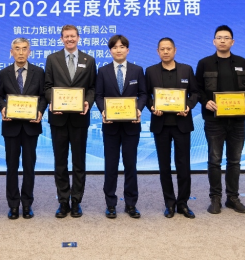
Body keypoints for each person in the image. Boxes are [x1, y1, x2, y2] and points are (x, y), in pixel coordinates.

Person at [195, 25, 245, 215]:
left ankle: (233, 198)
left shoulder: (242, 62)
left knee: (234, 161)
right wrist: (205, 101)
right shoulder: (204, 63)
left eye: (226, 37)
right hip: (214, 120)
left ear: (233, 42)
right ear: (214, 41)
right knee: (214, 160)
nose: (223, 40)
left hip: (237, 120)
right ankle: (215, 198)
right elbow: (197, 89)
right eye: (219, 37)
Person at [44, 25, 96, 218]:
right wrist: (52, 101)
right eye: (66, 36)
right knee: (60, 162)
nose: (70, 39)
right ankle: (63, 201)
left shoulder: (89, 60)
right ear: (61, 39)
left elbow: (92, 88)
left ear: (78, 38)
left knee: (79, 162)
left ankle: (76, 201)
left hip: (79, 118)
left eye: (73, 36)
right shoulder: (52, 59)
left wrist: (87, 102)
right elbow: (47, 86)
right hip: (58, 118)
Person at [145, 37, 199, 219]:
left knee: (184, 165)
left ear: (175, 50)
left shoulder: (186, 69)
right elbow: (145, 95)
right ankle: (169, 202)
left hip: (182, 124)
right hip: (160, 124)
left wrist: (188, 106)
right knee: (164, 165)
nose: (166, 52)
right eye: (162, 49)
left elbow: (195, 92)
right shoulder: (150, 71)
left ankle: (183, 203)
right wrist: (152, 106)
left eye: (169, 48)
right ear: (157, 51)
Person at [95, 35, 147, 219]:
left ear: (128, 50)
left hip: (131, 126)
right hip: (110, 126)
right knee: (110, 166)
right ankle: (110, 204)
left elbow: (143, 94)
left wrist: (138, 109)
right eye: (115, 47)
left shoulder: (137, 70)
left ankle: (131, 203)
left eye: (122, 46)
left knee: (130, 165)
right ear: (110, 51)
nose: (118, 50)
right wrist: (103, 111)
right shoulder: (103, 71)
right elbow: (98, 95)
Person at [0, 38, 47, 219]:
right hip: (11, 126)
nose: (20, 52)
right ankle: (13, 205)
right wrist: (3, 108)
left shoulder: (38, 72)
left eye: (24, 49)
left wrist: (40, 111)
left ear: (29, 52)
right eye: (17, 49)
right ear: (11, 52)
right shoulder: (4, 73)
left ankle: (27, 204)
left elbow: (43, 96)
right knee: (11, 166)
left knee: (29, 166)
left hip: (31, 126)